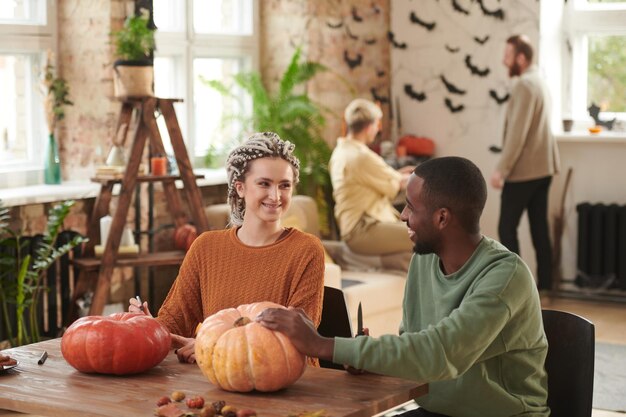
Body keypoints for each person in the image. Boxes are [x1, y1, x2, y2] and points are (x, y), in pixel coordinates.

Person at [257, 156, 549, 417]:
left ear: (442, 217)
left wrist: (321, 345)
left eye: (410, 206)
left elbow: (439, 354)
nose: (402, 216)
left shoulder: (505, 277)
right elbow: (413, 344)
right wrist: (366, 358)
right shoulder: (424, 260)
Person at [129, 132, 325, 364]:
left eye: (285, 185)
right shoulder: (206, 247)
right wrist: (148, 326)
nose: (275, 196)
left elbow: (294, 337)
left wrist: (207, 345)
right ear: (240, 188)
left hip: (291, 386)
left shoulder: (307, 250)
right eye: (264, 183)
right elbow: (174, 324)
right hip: (218, 381)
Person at [491, 34, 560, 291]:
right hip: (544, 168)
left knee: (506, 228)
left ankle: (516, 287)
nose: (504, 61)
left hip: (524, 171)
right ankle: (545, 285)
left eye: (508, 56)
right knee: (539, 228)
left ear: (521, 58)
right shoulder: (539, 81)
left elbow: (517, 134)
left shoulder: (524, 85)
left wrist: (502, 169)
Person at [329, 98, 414, 271]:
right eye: (377, 124)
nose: (377, 129)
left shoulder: (340, 152)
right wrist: (418, 175)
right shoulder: (361, 157)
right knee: (427, 235)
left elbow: (386, 177)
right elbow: (396, 183)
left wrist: (400, 177)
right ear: (369, 127)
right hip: (363, 229)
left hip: (352, 227)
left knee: (412, 253)